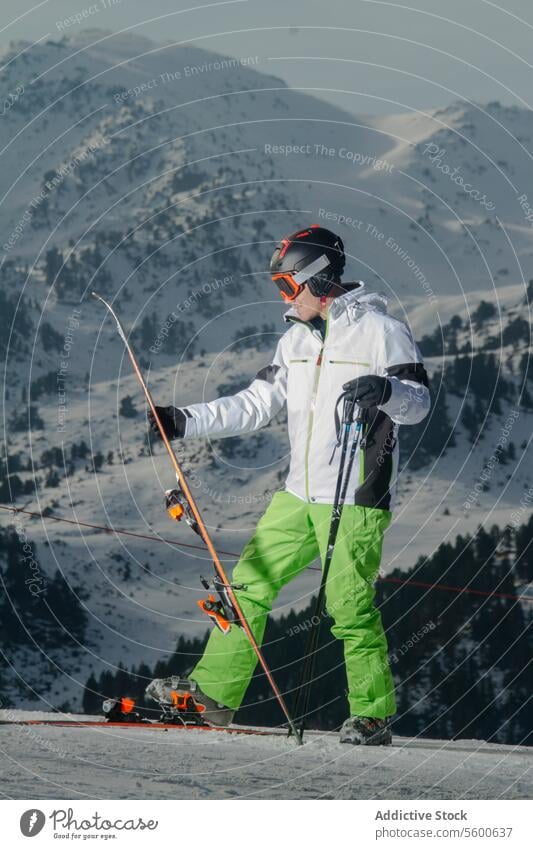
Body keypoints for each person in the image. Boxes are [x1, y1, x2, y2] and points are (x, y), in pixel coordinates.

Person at [145, 225, 430, 745]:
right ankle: (211, 699)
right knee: (246, 587)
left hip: (354, 496)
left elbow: (418, 403)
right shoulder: (294, 340)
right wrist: (182, 420)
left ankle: (371, 715)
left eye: (286, 283)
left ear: (317, 279)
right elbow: (255, 404)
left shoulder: (381, 332)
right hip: (296, 497)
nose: (281, 295)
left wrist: (387, 390)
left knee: (349, 605)